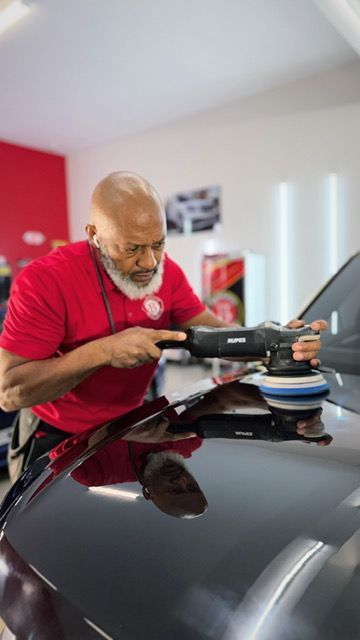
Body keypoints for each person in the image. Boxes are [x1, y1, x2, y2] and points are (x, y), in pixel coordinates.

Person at [0, 171, 327, 476]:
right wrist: (101, 352)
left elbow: (215, 334)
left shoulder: (166, 271)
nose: (150, 262)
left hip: (130, 425)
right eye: (132, 248)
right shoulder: (45, 280)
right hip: (57, 435)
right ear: (94, 235)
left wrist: (274, 341)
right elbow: (10, 392)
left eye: (158, 244)